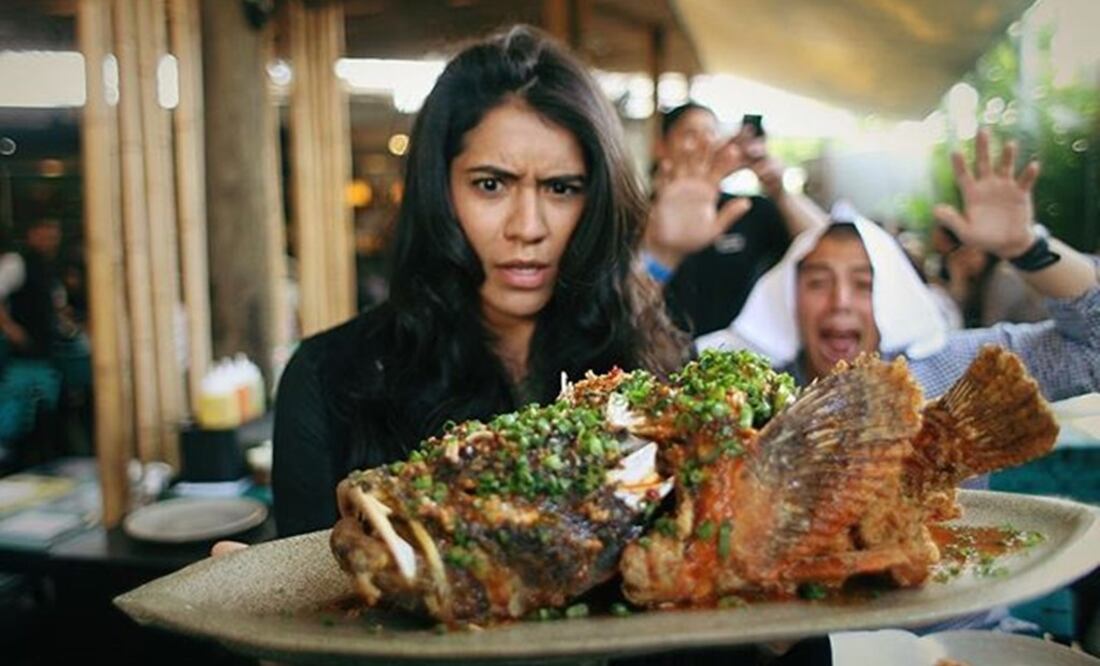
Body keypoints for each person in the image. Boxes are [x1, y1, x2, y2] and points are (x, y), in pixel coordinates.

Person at [270, 26, 690, 539]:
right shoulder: (330, 380)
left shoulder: (657, 368)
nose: (528, 228)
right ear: (438, 190)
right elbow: (304, 597)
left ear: (597, 200)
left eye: (561, 188)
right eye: (491, 185)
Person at [699, 128, 1100, 401]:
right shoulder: (746, 391)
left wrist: (1026, 246)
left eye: (863, 283)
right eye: (818, 282)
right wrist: (660, 254)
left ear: (892, 295)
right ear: (789, 295)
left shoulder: (957, 373)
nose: (840, 301)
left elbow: (1092, 351)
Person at [642, 102, 828, 336]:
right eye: (691, 134)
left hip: (735, 361)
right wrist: (660, 251)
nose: (705, 142)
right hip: (652, 358)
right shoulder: (631, 214)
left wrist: (780, 192)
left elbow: (827, 242)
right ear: (660, 147)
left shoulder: (743, 209)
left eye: (711, 133)